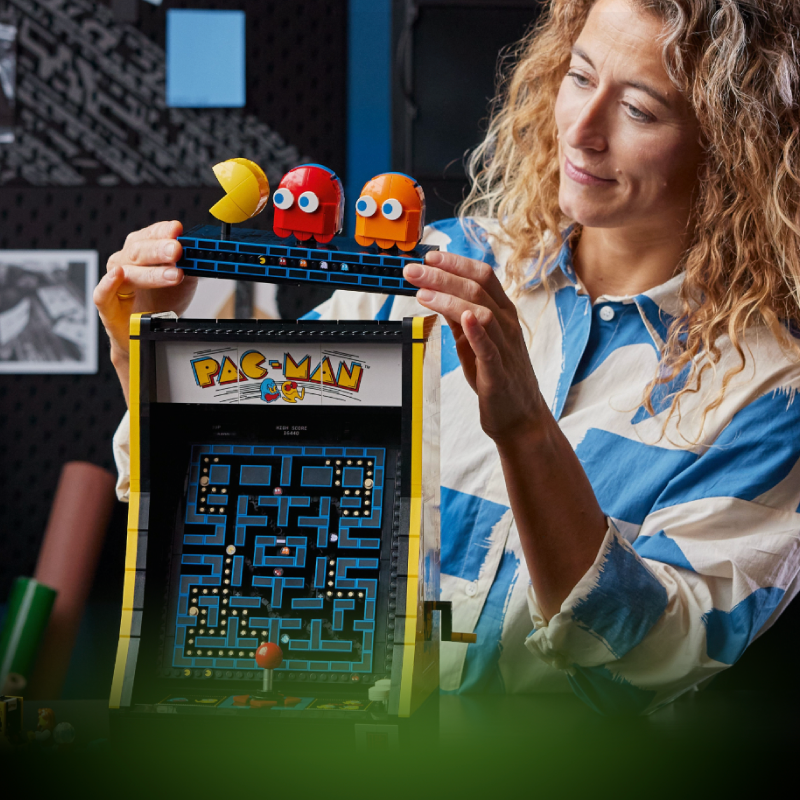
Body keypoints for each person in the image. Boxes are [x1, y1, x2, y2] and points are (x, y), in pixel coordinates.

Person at [96, 0, 800, 714]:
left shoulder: (771, 391)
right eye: (581, 76)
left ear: (733, 143)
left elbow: (654, 658)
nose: (582, 131)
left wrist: (526, 431)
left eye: (639, 111)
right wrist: (148, 352)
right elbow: (246, 494)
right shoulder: (436, 264)